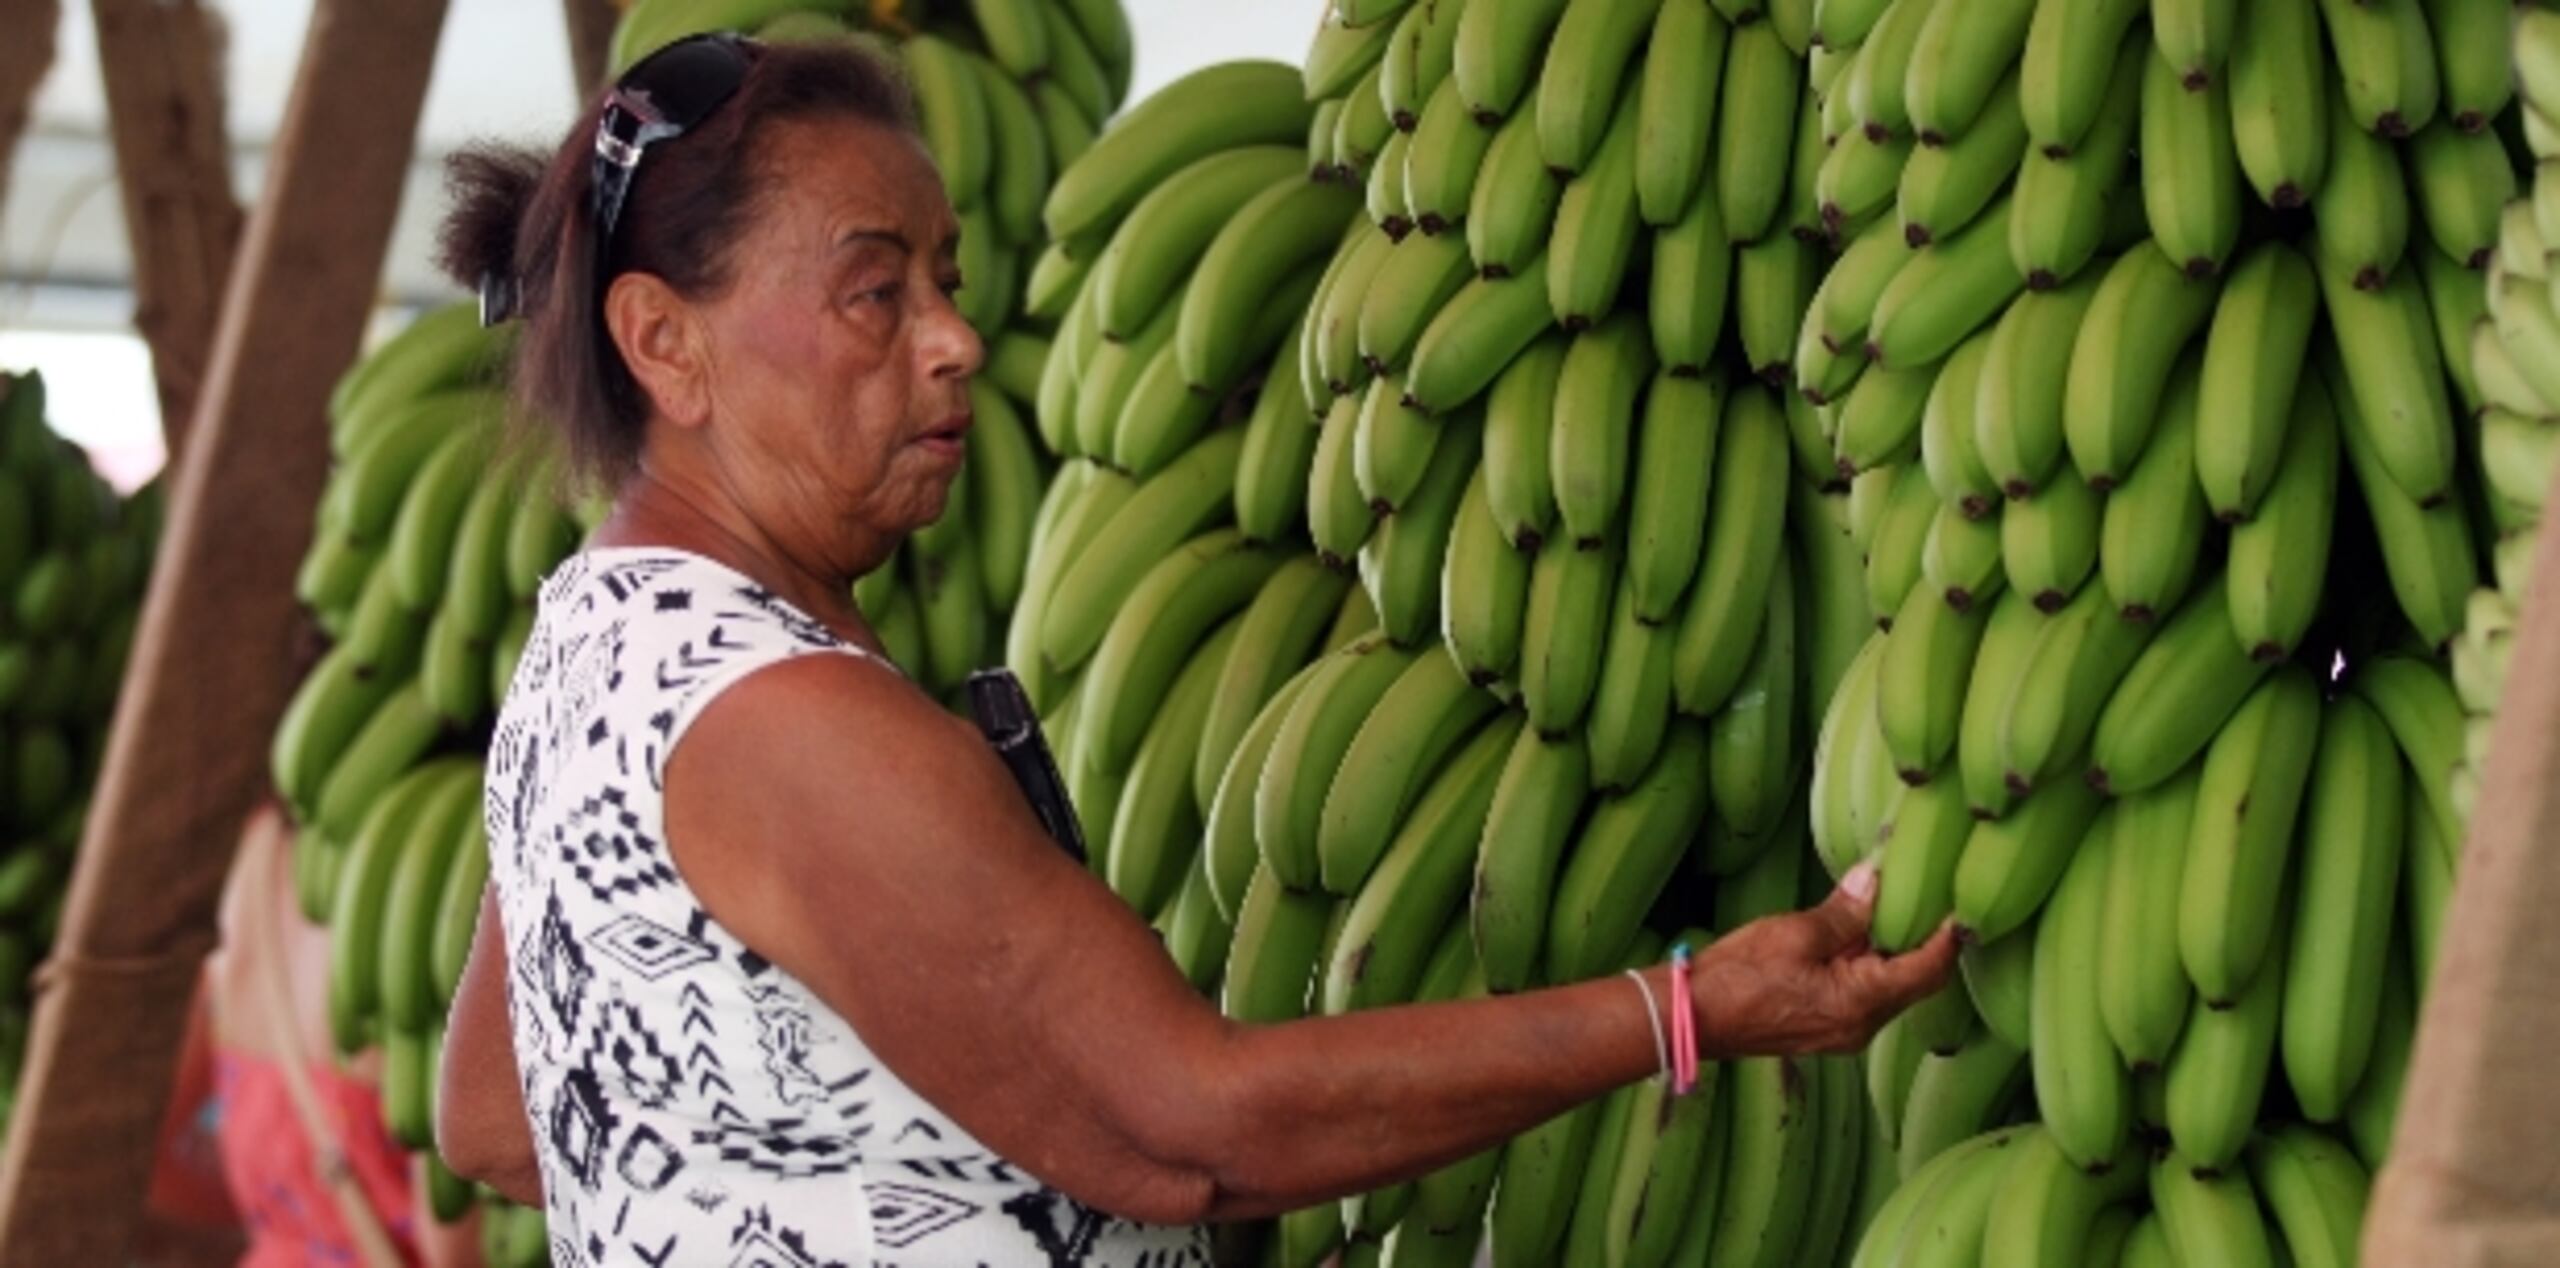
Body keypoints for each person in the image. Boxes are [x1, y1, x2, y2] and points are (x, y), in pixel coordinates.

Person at [430, 32, 1962, 1266]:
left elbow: (499, 1113)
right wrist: (1683, 1011)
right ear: (661, 342)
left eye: (946, 280)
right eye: (873, 293)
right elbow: (1188, 1129)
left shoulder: (596, 645)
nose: (955, 337)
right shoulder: (789, 724)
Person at [160, 803, 484, 1267]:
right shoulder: (447, 890)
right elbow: (453, 1254)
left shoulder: (263, 847)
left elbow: (158, 1156)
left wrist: (295, 1223)